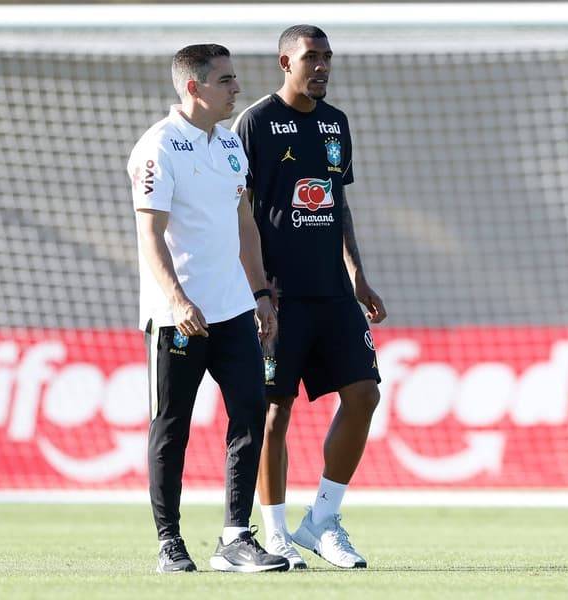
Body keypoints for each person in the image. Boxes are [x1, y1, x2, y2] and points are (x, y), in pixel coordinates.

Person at [127, 43, 288, 574]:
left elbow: (245, 223)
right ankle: (169, 543)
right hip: (179, 317)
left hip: (234, 310)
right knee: (172, 426)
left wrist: (259, 293)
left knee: (250, 413)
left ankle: (235, 538)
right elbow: (149, 235)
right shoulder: (159, 147)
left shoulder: (230, 143)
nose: (236, 88)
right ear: (194, 88)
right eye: (226, 80)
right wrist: (177, 300)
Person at [233, 25, 387, 570]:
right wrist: (257, 288)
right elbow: (240, 210)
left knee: (364, 395)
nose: (321, 67)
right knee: (275, 411)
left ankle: (321, 519)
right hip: (280, 295)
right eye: (310, 57)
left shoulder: (335, 122)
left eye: (327, 57)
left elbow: (337, 203)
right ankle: (274, 533)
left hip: (333, 291)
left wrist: (358, 275)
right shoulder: (255, 122)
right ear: (285, 62)